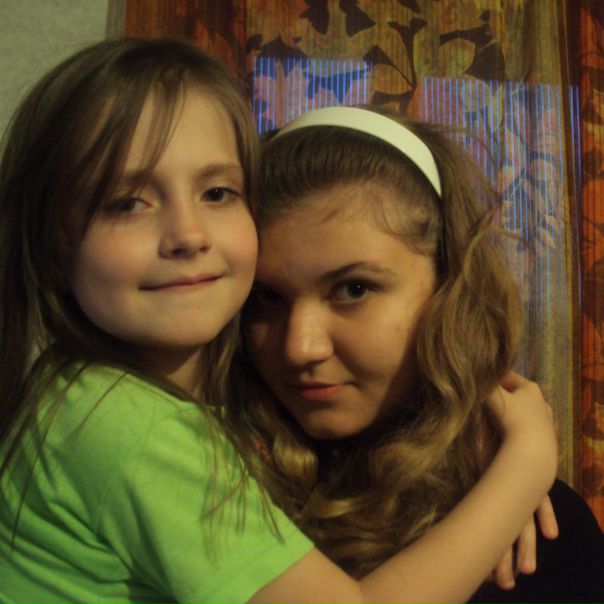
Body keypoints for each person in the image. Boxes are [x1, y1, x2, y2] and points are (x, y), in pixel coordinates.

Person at [0, 38, 557, 604]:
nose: (188, 234)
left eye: (217, 192)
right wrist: (527, 463)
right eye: (126, 203)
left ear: (448, 286)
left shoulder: (132, 406)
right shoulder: (128, 423)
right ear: (53, 244)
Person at [234, 106, 604, 602]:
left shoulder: (536, 540)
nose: (300, 347)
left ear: (449, 290)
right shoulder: (204, 480)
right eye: (266, 297)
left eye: (353, 289)